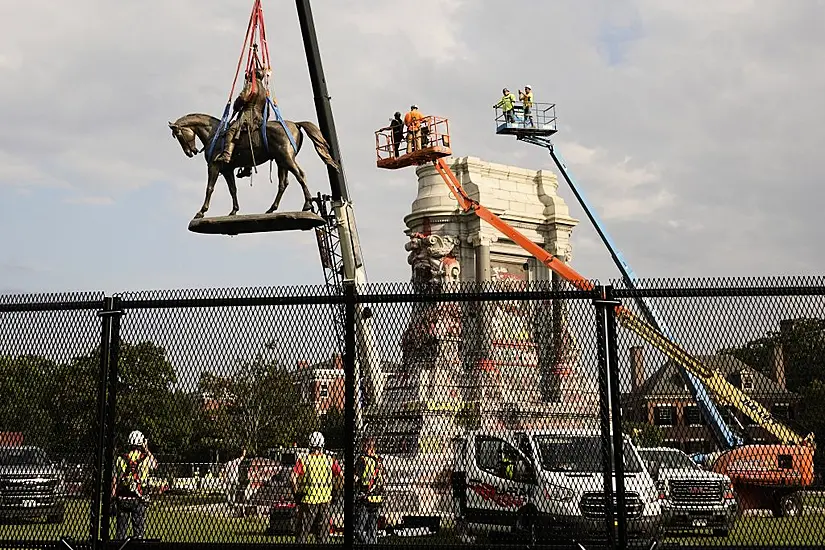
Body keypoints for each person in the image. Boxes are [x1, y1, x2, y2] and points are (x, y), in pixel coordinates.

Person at [291, 431, 343, 543]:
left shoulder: (304, 460)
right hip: (325, 500)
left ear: (310, 445)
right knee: (323, 535)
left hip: (308, 500)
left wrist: (296, 494)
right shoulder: (330, 460)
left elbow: (293, 477)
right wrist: (336, 491)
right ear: (323, 445)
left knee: (302, 533)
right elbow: (341, 476)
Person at [214, 66, 269, 164]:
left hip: (248, 115)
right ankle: (247, 167)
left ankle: (227, 154)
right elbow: (266, 110)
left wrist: (236, 106)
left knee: (232, 130)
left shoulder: (251, 85)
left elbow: (243, 98)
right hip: (259, 118)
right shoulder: (264, 91)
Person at [111, 430, 158, 540]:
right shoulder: (145, 459)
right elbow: (155, 465)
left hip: (122, 497)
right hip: (138, 497)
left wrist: (113, 496)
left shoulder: (120, 458)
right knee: (138, 530)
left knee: (121, 530)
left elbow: (115, 479)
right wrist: (147, 449)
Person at [354, 436, 384, 544]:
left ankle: (369, 543)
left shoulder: (363, 460)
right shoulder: (379, 460)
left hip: (365, 497)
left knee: (358, 529)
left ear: (366, 446)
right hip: (377, 498)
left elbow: (355, 478)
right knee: (372, 529)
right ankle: (373, 542)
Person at [223, 448, 247, 514]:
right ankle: (232, 504)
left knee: (228, 492)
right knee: (233, 493)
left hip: (229, 479)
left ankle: (230, 504)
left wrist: (224, 480)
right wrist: (244, 452)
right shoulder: (236, 462)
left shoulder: (227, 464)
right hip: (234, 479)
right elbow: (242, 457)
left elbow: (225, 473)